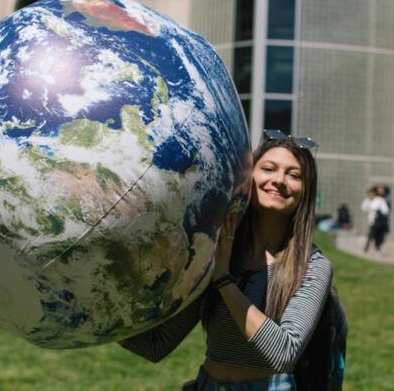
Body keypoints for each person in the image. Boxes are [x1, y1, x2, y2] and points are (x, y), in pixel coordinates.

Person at [119, 131, 334, 391]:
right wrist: (102, 306)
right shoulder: (218, 250)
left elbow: (283, 352)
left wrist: (223, 279)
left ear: (305, 191)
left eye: (294, 175)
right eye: (268, 169)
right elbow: (155, 344)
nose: (278, 180)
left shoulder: (313, 266)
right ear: (249, 176)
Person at [361, 187, 389, 253]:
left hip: (378, 221)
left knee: (378, 235)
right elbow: (363, 208)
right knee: (370, 235)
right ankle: (367, 248)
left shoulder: (379, 200)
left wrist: (379, 212)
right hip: (372, 222)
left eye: (372, 194)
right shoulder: (367, 201)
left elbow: (385, 210)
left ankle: (376, 248)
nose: (371, 195)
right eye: (370, 194)